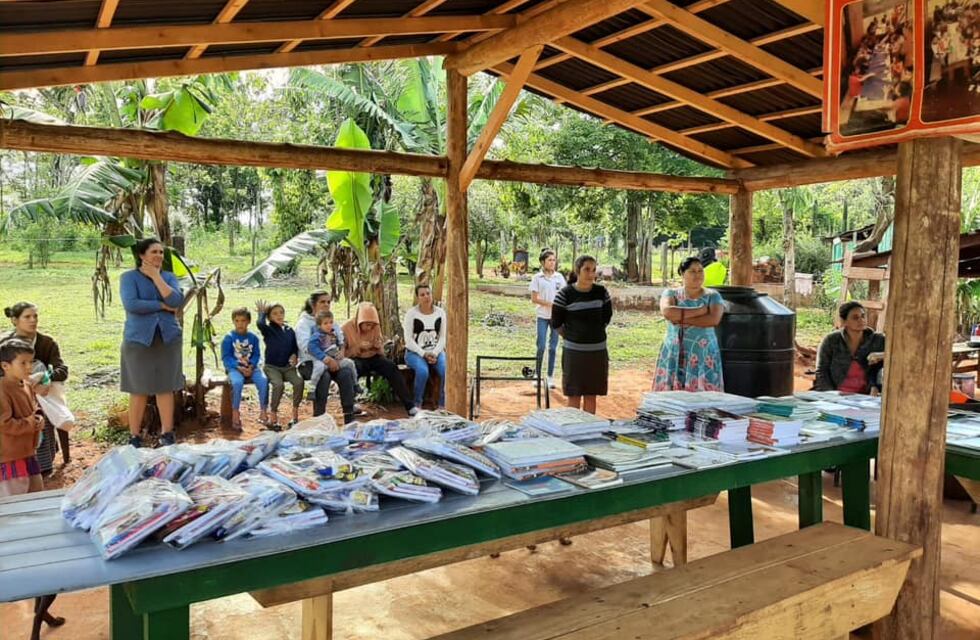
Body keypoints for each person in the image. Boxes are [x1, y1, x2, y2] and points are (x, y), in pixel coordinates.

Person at [0, 339, 66, 640]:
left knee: (40, 521)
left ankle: (41, 608)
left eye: (30, 363)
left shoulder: (24, 385)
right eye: (23, 364)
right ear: (5, 366)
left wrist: (35, 422)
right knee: (17, 532)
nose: (29, 368)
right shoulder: (2, 390)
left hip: (27, 460)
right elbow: (7, 425)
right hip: (10, 465)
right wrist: (34, 422)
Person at [120, 238, 183, 448]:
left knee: (165, 387)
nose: (159, 256)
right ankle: (135, 436)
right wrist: (160, 305)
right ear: (142, 255)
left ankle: (167, 433)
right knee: (138, 388)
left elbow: (176, 301)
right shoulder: (128, 278)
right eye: (154, 252)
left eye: (161, 252)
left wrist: (156, 277)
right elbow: (132, 304)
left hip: (168, 338)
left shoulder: (169, 277)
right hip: (139, 339)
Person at [2, 302, 74, 470]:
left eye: (35, 316)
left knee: (42, 392)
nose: (33, 320)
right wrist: (29, 386)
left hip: (43, 392)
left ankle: (43, 463)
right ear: (14, 320)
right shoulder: (5, 344)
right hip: (13, 392)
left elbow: (62, 370)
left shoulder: (46, 342)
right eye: (27, 317)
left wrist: (45, 377)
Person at [551, 255, 613, 415]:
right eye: (587, 269)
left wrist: (593, 334)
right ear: (577, 270)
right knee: (574, 395)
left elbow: (607, 317)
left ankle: (588, 431)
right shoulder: (564, 294)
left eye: (594, 270)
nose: (591, 274)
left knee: (591, 395)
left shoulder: (601, 292)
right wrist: (574, 337)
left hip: (597, 352)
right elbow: (556, 323)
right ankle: (572, 433)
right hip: (574, 353)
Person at [653, 257, 725, 392]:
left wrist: (680, 319)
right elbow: (668, 312)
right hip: (674, 352)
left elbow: (713, 320)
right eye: (692, 271)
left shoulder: (713, 296)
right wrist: (700, 311)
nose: (697, 275)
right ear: (682, 273)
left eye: (700, 271)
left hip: (703, 354)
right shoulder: (671, 293)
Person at [342, 302, 417, 416]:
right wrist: (359, 348)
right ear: (359, 322)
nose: (370, 328)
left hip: (373, 357)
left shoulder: (375, 327)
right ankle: (350, 405)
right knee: (352, 370)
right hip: (356, 359)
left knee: (391, 367)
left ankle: (410, 405)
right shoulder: (346, 329)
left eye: (372, 325)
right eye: (367, 324)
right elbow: (343, 355)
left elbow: (381, 351)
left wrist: (378, 346)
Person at [814, 301, 886, 395]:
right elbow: (821, 371)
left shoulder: (879, 340)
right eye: (855, 318)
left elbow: (897, 357)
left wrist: (881, 355)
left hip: (867, 397)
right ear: (844, 321)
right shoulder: (831, 341)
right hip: (835, 396)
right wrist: (830, 395)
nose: (861, 320)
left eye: (863, 316)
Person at [255, 300, 303, 430]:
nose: (279, 315)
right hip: (272, 367)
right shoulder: (269, 330)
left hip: (288, 367)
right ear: (269, 317)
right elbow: (260, 324)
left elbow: (294, 347)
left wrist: (294, 355)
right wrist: (262, 313)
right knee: (278, 385)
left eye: (281, 312)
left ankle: (295, 414)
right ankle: (273, 416)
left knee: (298, 382)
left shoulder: (289, 330)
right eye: (275, 313)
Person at [222, 308, 269, 430]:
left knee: (263, 381)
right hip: (235, 368)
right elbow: (226, 357)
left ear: (248, 322)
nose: (240, 324)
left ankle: (263, 410)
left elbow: (257, 355)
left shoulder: (253, 338)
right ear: (233, 322)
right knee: (237, 383)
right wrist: (239, 367)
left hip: (252, 368)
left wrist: (252, 366)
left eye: (243, 321)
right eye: (237, 321)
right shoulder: (229, 338)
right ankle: (235, 412)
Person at [403, 284, 447, 410]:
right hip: (414, 353)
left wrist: (435, 352)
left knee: (445, 369)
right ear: (418, 298)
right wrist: (424, 354)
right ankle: (417, 404)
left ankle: (442, 404)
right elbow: (409, 340)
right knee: (423, 371)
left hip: (436, 352)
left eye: (428, 293)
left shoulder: (440, 313)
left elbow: (442, 337)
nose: (426, 297)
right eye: (422, 295)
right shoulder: (411, 314)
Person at [529, 249, 567, 389]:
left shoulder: (559, 277)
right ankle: (537, 375)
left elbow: (565, 295)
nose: (552, 262)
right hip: (542, 316)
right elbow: (534, 298)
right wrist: (550, 304)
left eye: (554, 260)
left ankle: (550, 377)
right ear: (543, 262)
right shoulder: (537, 278)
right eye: (549, 260)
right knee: (541, 346)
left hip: (556, 318)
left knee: (553, 347)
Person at [295, 290, 332, 399]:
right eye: (322, 302)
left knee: (346, 371)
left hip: (329, 359)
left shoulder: (329, 320)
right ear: (313, 304)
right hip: (308, 362)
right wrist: (325, 358)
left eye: (329, 302)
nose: (326, 305)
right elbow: (306, 347)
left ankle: (349, 411)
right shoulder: (303, 324)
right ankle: (319, 413)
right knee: (323, 376)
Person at [308, 310, 357, 379]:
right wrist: (324, 357)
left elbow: (340, 343)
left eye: (331, 322)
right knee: (319, 368)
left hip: (336, 359)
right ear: (319, 326)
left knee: (350, 363)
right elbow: (311, 347)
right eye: (325, 323)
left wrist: (340, 352)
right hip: (324, 361)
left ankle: (355, 384)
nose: (329, 325)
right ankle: (312, 387)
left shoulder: (333, 334)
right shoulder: (317, 336)